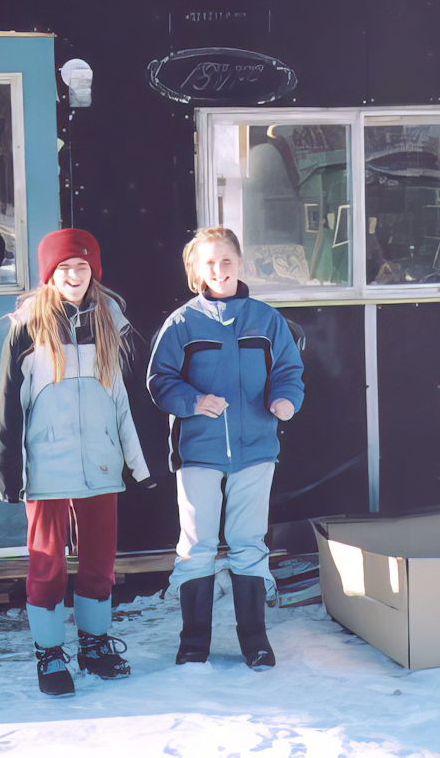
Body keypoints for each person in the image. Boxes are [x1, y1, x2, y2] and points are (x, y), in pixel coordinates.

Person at [0, 228, 151, 697]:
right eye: (64, 268)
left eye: (82, 267)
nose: (74, 275)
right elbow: (8, 402)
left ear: (94, 272)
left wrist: (138, 465)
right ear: (50, 275)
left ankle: (95, 643)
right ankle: (49, 651)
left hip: (101, 466)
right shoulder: (28, 327)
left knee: (100, 561)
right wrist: (6, 466)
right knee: (47, 565)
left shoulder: (112, 322)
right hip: (48, 468)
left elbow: (124, 401)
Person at [146, 226, 305, 669]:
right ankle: (194, 642)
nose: (219, 270)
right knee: (197, 544)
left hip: (256, 451)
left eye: (227, 261)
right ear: (195, 271)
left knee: (248, 542)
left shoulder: (266, 318)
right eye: (209, 263)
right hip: (199, 452)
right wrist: (193, 402)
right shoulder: (181, 323)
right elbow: (160, 381)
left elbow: (289, 370)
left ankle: (254, 640)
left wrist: (286, 400)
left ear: (240, 263)